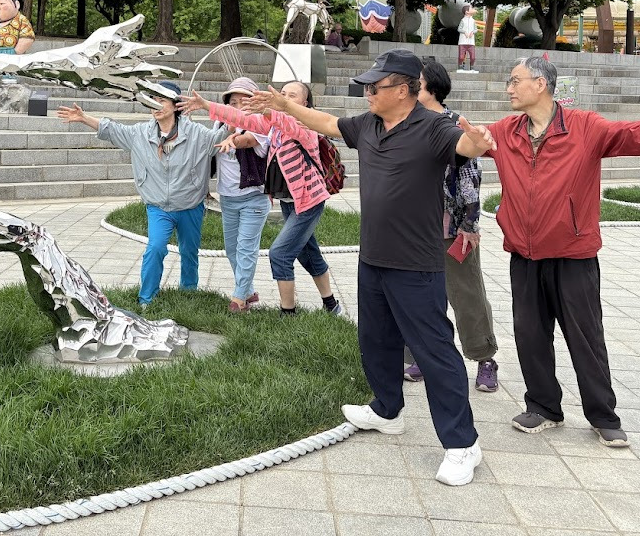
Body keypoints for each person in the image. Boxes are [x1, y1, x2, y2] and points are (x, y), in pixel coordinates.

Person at [250, 50, 497, 487]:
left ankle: (463, 444)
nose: (367, 93)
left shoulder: (433, 126)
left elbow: (465, 146)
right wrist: (284, 105)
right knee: (376, 340)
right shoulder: (368, 124)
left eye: (374, 86)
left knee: (435, 352)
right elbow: (327, 123)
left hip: (417, 265)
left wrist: (478, 142)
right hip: (373, 259)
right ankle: (387, 410)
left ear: (403, 90)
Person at [488, 55, 640, 448]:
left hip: (573, 255)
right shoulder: (506, 130)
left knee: (586, 338)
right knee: (530, 335)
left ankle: (603, 416)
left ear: (540, 84)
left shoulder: (583, 126)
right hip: (524, 255)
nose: (509, 88)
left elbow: (622, 136)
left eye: (515, 80)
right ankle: (543, 407)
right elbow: (473, 138)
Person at [180, 80, 344, 318]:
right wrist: (206, 105)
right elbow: (242, 119)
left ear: (305, 103)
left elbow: (286, 123)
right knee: (308, 252)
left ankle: (288, 313)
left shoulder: (305, 125)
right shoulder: (273, 125)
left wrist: (269, 109)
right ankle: (331, 305)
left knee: (280, 254)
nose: (285, 97)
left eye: (292, 96)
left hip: (309, 200)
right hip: (289, 200)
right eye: (283, 93)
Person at [56, 80, 229, 307]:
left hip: (190, 205)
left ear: (175, 105)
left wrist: (233, 113)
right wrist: (83, 117)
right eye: (152, 100)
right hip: (158, 207)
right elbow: (111, 130)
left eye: (161, 100)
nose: (156, 105)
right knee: (155, 248)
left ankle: (189, 292)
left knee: (189, 251)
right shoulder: (139, 133)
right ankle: (146, 298)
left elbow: (220, 137)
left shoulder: (197, 134)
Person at [402, 61, 499, 394]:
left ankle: (485, 358)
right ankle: (423, 356)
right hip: (414, 230)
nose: (409, 88)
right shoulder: (406, 124)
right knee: (420, 298)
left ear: (432, 87)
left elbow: (471, 178)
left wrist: (469, 224)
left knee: (467, 295)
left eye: (416, 82)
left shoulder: (453, 124)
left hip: (451, 229)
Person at [210, 78, 271, 312]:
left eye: (244, 102)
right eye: (232, 102)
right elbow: (207, 146)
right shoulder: (219, 125)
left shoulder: (261, 124)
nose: (237, 107)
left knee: (246, 248)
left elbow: (246, 141)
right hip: (227, 198)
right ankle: (248, 291)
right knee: (232, 249)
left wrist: (232, 137)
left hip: (254, 198)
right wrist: (226, 130)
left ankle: (238, 299)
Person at [456, 5, 478, 72]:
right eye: (471, 9)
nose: (472, 9)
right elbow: (459, 29)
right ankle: (460, 67)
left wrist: (472, 32)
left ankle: (472, 68)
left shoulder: (473, 21)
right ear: (467, 12)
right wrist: (464, 32)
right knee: (461, 57)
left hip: (471, 42)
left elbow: (476, 29)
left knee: (473, 57)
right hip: (463, 42)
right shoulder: (463, 20)